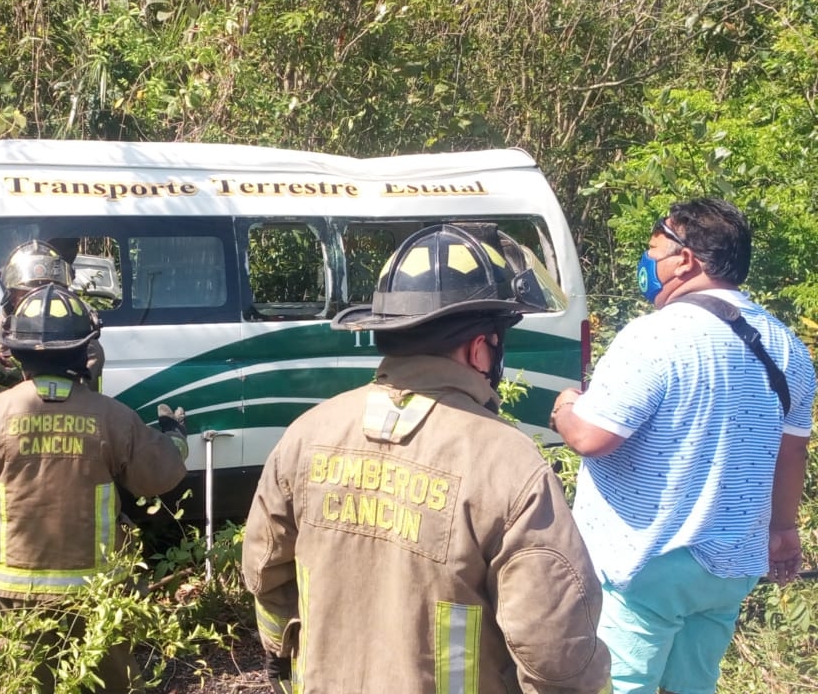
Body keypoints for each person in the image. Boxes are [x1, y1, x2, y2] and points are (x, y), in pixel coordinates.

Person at [242, 223, 612, 693]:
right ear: (481, 348)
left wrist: (286, 667)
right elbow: (557, 653)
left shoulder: (307, 434)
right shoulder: (509, 465)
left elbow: (265, 571)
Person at [549, 198, 816, 694]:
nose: (646, 261)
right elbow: (791, 454)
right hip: (732, 563)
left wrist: (565, 407)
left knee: (620, 685)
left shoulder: (656, 336)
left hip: (647, 560)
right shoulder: (787, 347)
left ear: (685, 259)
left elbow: (592, 437)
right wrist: (782, 532)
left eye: (653, 249)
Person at [0, 283, 188, 692]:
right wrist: (176, 437)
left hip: (10, 604)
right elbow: (160, 476)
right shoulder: (113, 417)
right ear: (84, 351)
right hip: (96, 602)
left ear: (16, 353)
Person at [0, 240, 105, 392]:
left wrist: (16, 372)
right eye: (24, 293)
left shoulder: (79, 338)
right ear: (12, 295)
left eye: (42, 291)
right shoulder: (2, 322)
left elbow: (73, 394)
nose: (37, 300)